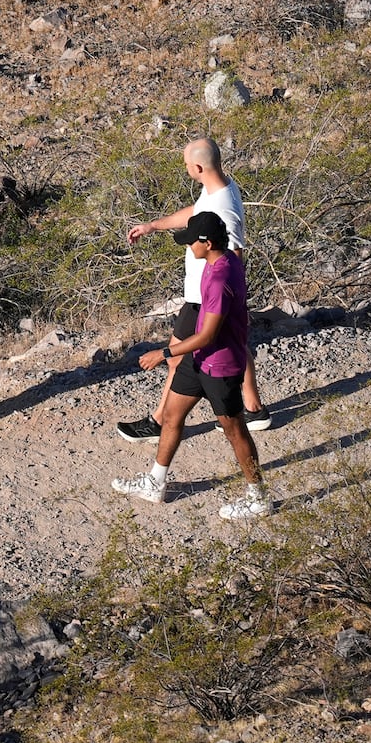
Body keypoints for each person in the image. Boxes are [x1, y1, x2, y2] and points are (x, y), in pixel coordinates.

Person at [112, 211, 272, 520]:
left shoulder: (222, 276)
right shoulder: (220, 260)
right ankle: (155, 483)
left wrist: (165, 352)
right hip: (198, 360)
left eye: (190, 243)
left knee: (235, 430)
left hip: (221, 365)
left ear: (207, 243)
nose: (188, 248)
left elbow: (208, 335)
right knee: (171, 416)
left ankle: (258, 496)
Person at [116, 138, 270, 443]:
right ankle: (253, 409)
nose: (186, 167)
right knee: (234, 342)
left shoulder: (224, 209)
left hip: (204, 297)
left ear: (197, 168)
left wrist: (233, 301)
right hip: (206, 294)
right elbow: (197, 212)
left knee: (175, 358)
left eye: (187, 164)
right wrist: (153, 226)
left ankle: (159, 422)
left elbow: (235, 253)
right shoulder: (219, 188)